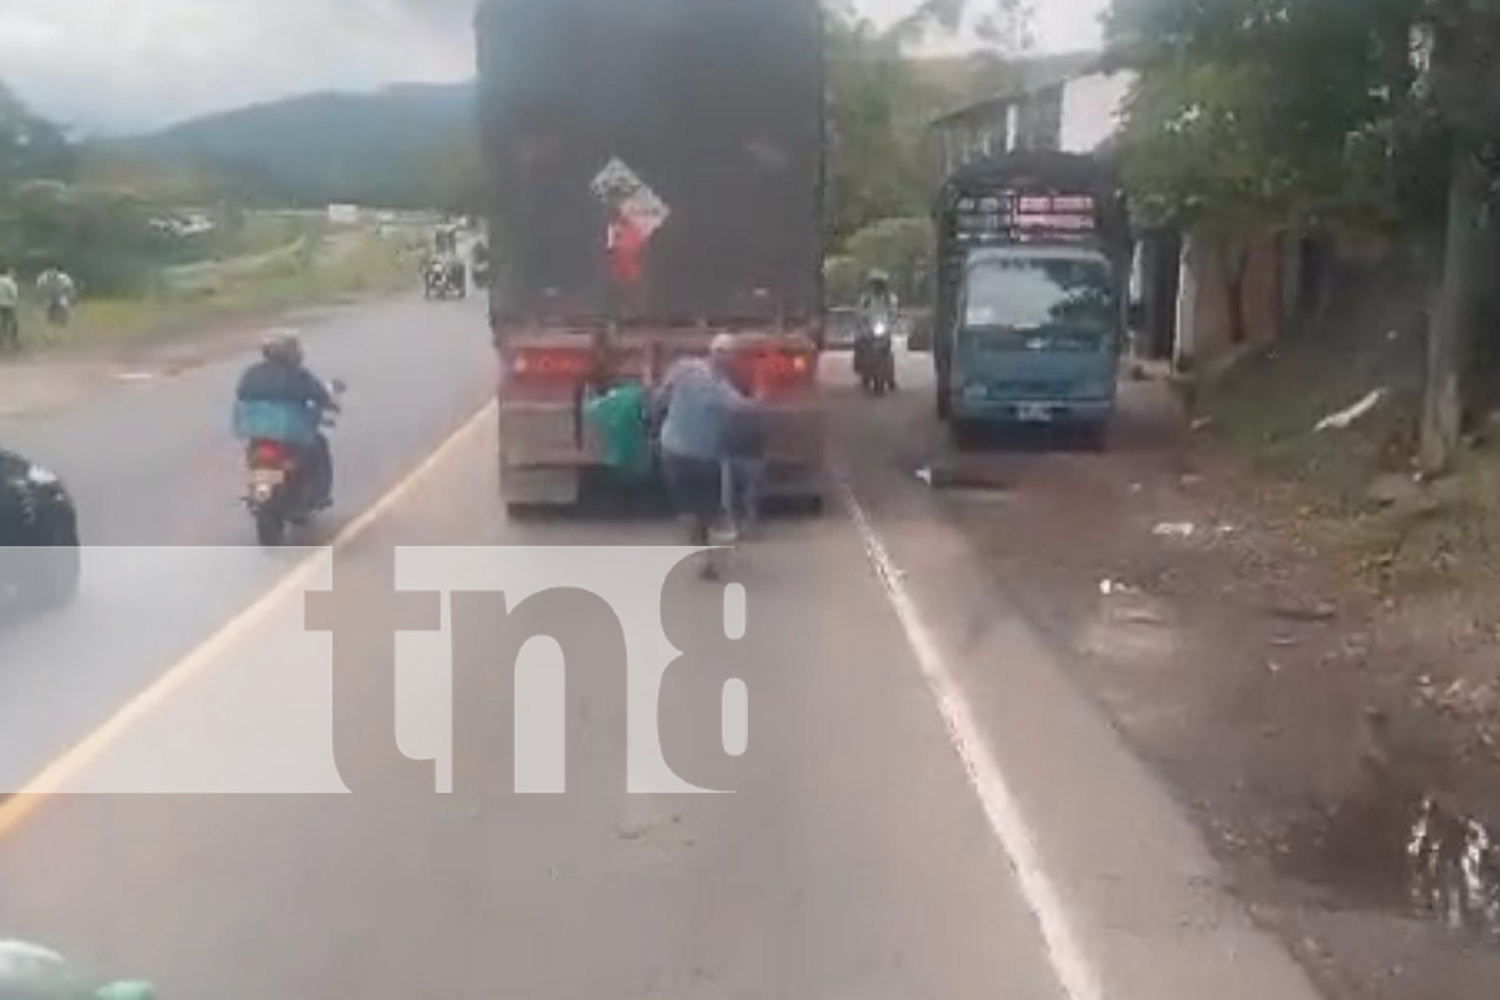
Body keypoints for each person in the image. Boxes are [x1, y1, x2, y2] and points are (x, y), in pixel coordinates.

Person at [654, 334, 757, 577]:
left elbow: (661, 396)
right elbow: (746, 411)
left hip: (673, 451)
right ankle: (708, 553)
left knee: (691, 506)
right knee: (709, 509)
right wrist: (762, 397)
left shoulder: (684, 369)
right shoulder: (724, 392)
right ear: (730, 359)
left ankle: (700, 543)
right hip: (702, 457)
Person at [236, 331, 338, 507]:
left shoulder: (252, 373)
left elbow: (242, 393)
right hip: (290, 435)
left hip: (256, 432)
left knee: (253, 455)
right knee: (319, 445)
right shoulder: (298, 375)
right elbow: (319, 394)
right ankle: (320, 493)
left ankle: (261, 490)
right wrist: (328, 404)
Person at [0, 267, 21, 352]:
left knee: (3, 324)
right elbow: (14, 295)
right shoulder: (11, 282)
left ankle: (1, 341)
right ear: (11, 273)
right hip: (9, 305)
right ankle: (13, 342)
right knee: (14, 323)